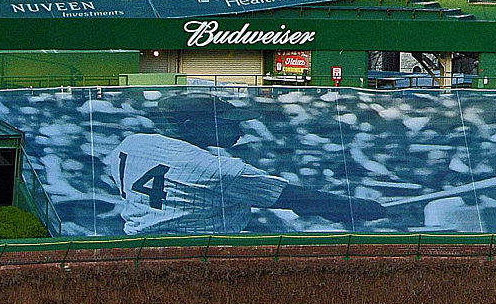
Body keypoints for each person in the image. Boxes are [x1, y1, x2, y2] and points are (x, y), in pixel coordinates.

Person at [104, 92, 385, 235]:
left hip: (137, 244)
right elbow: (297, 198)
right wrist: (358, 207)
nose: (238, 130)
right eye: (225, 124)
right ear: (191, 127)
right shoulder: (218, 168)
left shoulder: (132, 143)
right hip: (196, 254)